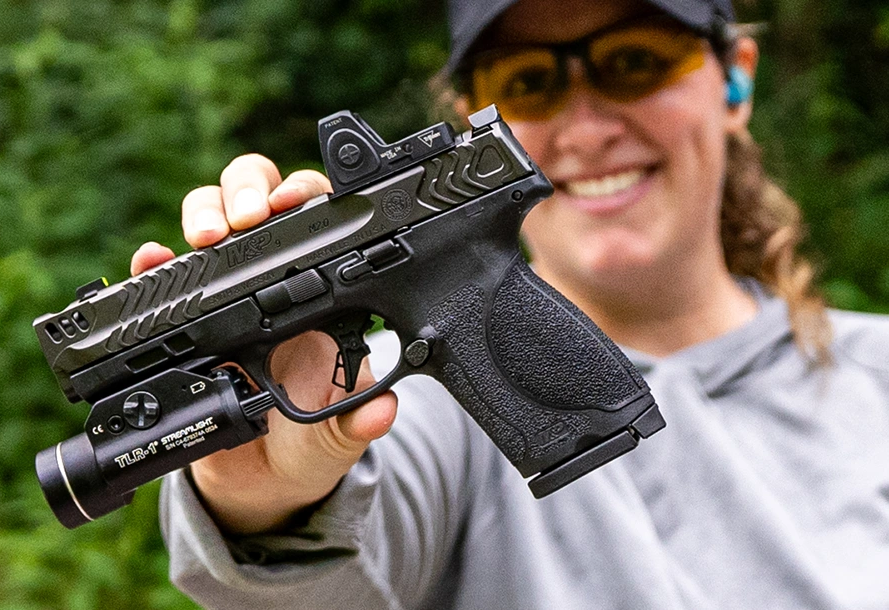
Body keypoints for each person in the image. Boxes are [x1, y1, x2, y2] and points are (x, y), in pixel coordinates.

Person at [131, 0, 889, 607]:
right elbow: (340, 582)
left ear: (736, 79)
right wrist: (268, 502)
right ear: (473, 118)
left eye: (636, 61)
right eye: (527, 80)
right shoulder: (414, 398)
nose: (588, 128)